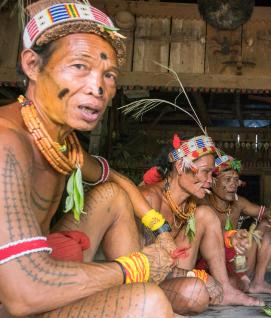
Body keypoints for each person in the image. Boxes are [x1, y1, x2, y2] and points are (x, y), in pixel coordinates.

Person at [0, 1, 182, 316]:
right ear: (32, 65)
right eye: (79, 66)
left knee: (112, 195)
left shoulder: (63, 145)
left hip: (33, 273)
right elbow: (23, 292)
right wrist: (138, 267)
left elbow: (114, 180)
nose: (98, 86)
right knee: (147, 305)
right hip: (16, 293)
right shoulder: (6, 144)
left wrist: (161, 229)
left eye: (108, 74)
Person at [139, 139, 264, 310]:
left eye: (211, 174)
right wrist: (199, 276)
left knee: (205, 215)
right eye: (205, 172)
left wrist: (230, 240)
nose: (209, 181)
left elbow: (208, 241)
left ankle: (226, 290)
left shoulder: (193, 204)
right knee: (196, 293)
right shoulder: (149, 199)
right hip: (145, 281)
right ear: (180, 167)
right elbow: (144, 267)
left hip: (173, 273)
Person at [200, 154, 271, 295]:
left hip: (238, 263)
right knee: (234, 285)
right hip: (211, 263)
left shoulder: (239, 202)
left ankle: (258, 281)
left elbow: (265, 212)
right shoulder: (201, 202)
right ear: (212, 181)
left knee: (267, 224)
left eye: (236, 180)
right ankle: (236, 283)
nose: (233, 184)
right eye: (227, 179)